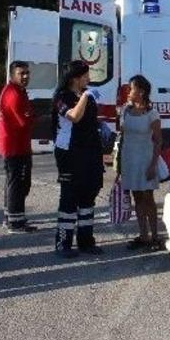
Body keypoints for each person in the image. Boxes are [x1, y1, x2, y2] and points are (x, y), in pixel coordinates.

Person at [51, 60, 105, 258]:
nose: (89, 79)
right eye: (85, 75)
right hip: (69, 154)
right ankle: (63, 243)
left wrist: (101, 126)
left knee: (88, 197)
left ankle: (86, 241)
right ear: (75, 78)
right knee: (69, 198)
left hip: (89, 153)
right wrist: (85, 96)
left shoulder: (86, 96)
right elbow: (73, 116)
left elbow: (88, 120)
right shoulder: (61, 97)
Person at [119, 75, 164, 252]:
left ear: (141, 91)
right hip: (129, 159)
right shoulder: (125, 110)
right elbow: (121, 134)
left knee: (148, 198)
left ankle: (155, 236)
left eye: (132, 89)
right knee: (137, 197)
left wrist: (153, 165)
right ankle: (143, 235)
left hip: (145, 160)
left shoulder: (152, 114)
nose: (129, 92)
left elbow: (158, 141)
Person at [0, 61, 37, 233]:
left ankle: (11, 217)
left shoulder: (16, 91)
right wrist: (36, 116)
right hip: (15, 146)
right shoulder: (14, 94)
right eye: (22, 73)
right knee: (19, 183)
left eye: (27, 73)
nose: (26, 76)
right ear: (13, 75)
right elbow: (24, 121)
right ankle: (15, 222)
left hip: (16, 145)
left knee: (15, 182)